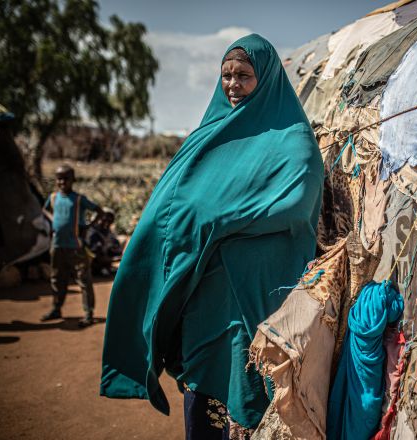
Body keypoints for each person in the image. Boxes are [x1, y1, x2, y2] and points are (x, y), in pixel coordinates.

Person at [100, 34, 323, 439]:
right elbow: (174, 201)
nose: (233, 84)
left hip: (257, 300)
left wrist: (219, 221)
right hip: (204, 297)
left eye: (244, 75)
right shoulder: (206, 136)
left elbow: (294, 201)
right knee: (204, 394)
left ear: (267, 77)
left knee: (251, 383)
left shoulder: (294, 139)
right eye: (226, 75)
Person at [42, 164, 103, 327]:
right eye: (59, 179)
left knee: (83, 279)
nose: (62, 182)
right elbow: (45, 210)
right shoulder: (53, 198)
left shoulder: (78, 199)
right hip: (57, 245)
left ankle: (88, 313)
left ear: (73, 180)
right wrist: (53, 220)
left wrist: (89, 225)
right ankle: (56, 308)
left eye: (65, 178)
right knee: (56, 278)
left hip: (75, 246)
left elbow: (98, 210)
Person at [86, 208, 122, 276]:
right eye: (105, 219)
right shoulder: (91, 231)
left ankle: (105, 268)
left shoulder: (109, 233)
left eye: (110, 220)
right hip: (93, 262)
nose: (107, 222)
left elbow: (117, 248)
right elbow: (94, 251)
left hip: (105, 260)